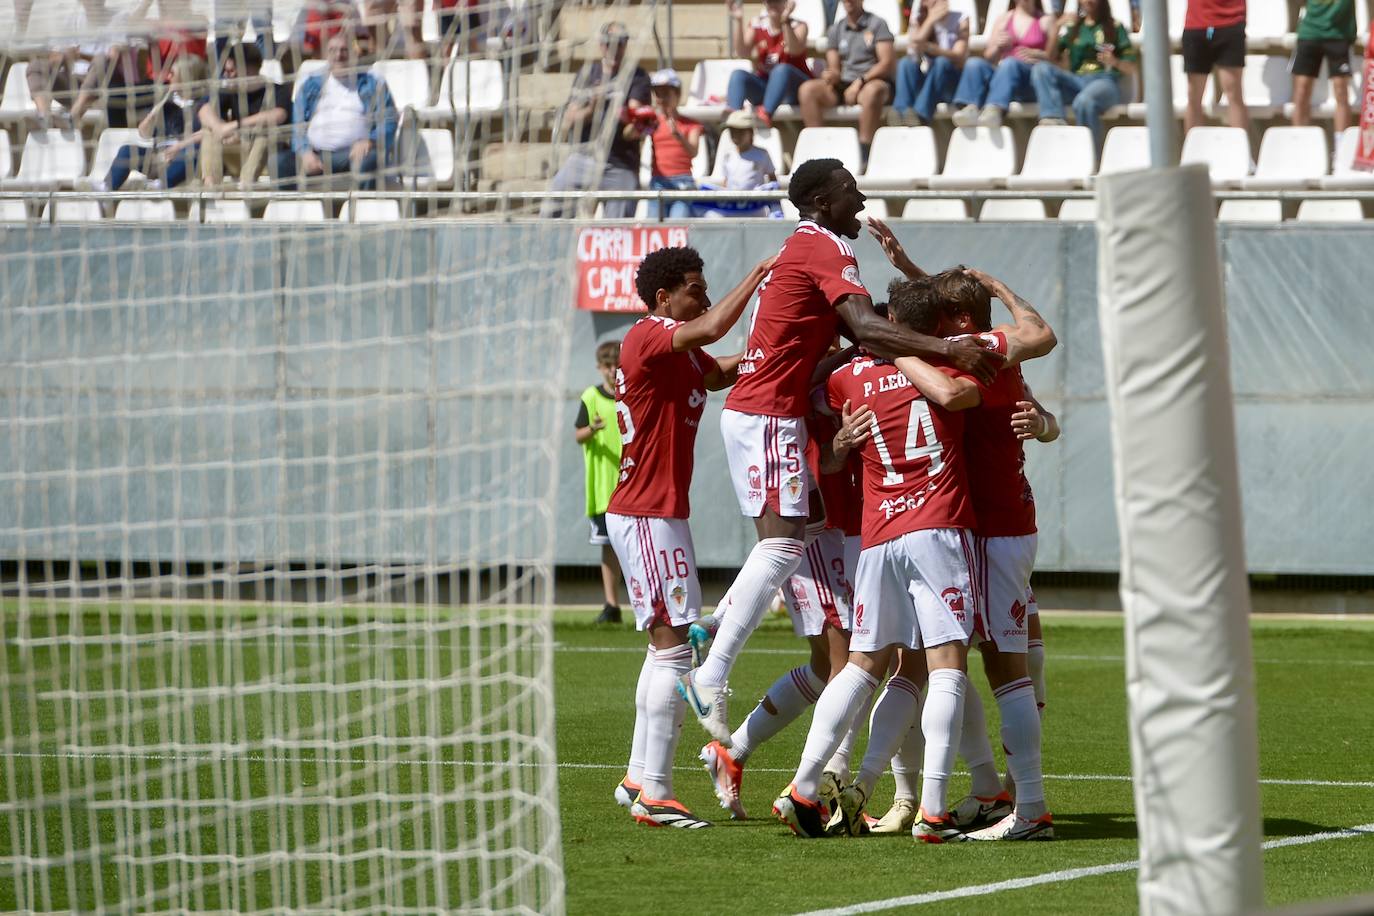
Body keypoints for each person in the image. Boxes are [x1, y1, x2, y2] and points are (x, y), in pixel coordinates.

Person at [674, 158, 1003, 750]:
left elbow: (863, 329)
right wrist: (948, 349)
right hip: (770, 410)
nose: (861, 198)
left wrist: (921, 307)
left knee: (787, 544)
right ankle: (711, 672)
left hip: (763, 411)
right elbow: (867, 329)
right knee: (781, 545)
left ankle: (714, 635)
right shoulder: (825, 246)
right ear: (823, 202)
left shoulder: (803, 247)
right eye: (851, 191)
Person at [832, 265, 1059, 841]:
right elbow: (1033, 331)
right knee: (985, 664)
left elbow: (1016, 344)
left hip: (984, 532)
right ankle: (992, 791)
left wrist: (886, 342)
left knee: (990, 670)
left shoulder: (964, 353)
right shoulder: (994, 351)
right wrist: (995, 286)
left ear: (956, 322)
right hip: (1009, 526)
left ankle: (1024, 807)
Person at [773, 278, 982, 840]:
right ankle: (932, 808)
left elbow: (817, 393)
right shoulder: (947, 370)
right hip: (937, 528)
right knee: (946, 666)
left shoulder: (846, 378)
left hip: (878, 536)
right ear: (935, 328)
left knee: (864, 665)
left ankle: (806, 783)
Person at [606, 248, 773, 828]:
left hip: (657, 512)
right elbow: (714, 325)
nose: (703, 297)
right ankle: (655, 791)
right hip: (647, 512)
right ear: (663, 299)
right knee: (675, 651)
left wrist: (774, 354)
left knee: (666, 651)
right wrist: (758, 272)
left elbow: (718, 369)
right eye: (695, 289)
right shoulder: (651, 334)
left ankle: (638, 777)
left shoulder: (677, 347)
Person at [541, 22, 652, 219]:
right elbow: (570, 118)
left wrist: (625, 115)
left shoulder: (638, 75)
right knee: (551, 205)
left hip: (620, 164)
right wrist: (593, 107)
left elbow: (636, 116)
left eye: (620, 44)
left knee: (619, 227)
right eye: (610, 44)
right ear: (601, 45)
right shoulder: (587, 74)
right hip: (584, 159)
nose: (615, 49)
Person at [274, 29, 397, 190]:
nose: (339, 55)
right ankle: (289, 214)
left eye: (344, 50)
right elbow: (297, 125)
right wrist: (304, 152)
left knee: (370, 161)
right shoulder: (310, 85)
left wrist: (370, 141)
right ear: (326, 54)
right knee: (279, 162)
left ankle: (362, 211)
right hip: (316, 155)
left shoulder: (373, 84)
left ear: (355, 54)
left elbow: (389, 119)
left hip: (353, 155)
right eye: (333, 50)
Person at [799, 0, 896, 165]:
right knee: (807, 90)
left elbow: (887, 63)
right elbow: (835, 67)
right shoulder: (835, 29)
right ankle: (818, 151)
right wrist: (831, 75)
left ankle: (864, 153)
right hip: (844, 84)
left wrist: (860, 81)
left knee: (873, 91)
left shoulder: (877, 24)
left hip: (872, 80)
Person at [1030, 0, 1136, 149]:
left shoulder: (1114, 27)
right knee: (1041, 69)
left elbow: (1131, 67)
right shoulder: (1075, 28)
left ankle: (1090, 155)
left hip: (1105, 82)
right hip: (1077, 81)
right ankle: (1053, 118)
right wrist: (1057, 26)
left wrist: (1114, 62)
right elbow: (1051, 57)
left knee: (1084, 101)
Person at [574, 341, 627, 626]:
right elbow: (578, 435)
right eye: (607, 366)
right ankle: (611, 604)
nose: (612, 371)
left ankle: (645, 605)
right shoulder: (590, 397)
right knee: (608, 547)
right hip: (603, 489)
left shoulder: (630, 395)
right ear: (599, 368)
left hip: (632, 486)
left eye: (617, 365)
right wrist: (592, 429)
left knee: (635, 548)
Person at [198, 42, 291, 188]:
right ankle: (211, 184)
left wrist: (235, 125)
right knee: (209, 130)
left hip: (268, 151)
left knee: (265, 131)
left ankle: (246, 184)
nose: (226, 75)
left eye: (231, 71)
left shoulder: (277, 90)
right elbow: (204, 110)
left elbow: (279, 115)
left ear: (248, 71)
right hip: (237, 146)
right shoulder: (231, 90)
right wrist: (220, 128)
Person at [950, 0, 1056, 129]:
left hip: (1029, 81)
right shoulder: (1003, 19)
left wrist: (1038, 54)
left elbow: (1055, 60)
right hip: (1005, 77)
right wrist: (998, 47)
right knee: (975, 63)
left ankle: (994, 109)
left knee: (1010, 64)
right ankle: (970, 107)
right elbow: (989, 56)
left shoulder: (1046, 20)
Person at [96, 66, 203, 191]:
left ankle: (161, 185)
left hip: (182, 157)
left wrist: (179, 147)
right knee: (128, 150)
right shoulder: (167, 101)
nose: (168, 77)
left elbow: (207, 133)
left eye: (172, 74)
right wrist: (158, 107)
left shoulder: (201, 105)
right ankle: (106, 188)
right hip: (158, 156)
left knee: (192, 151)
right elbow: (143, 133)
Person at [727, 0, 811, 129]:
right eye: (769, 1)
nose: (773, 5)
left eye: (777, 1)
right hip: (766, 87)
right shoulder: (757, 24)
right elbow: (742, 52)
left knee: (780, 70)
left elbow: (794, 50)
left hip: (794, 88)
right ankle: (734, 120)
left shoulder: (799, 25)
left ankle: (765, 115)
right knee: (738, 75)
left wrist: (785, 21)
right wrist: (738, 20)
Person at [893, 0, 969, 124]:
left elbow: (959, 56)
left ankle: (921, 115)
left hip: (951, 83)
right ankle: (902, 113)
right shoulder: (920, 19)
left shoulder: (961, 19)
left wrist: (934, 50)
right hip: (929, 81)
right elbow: (913, 50)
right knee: (906, 63)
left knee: (942, 62)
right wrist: (930, 21)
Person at [1182, 0, 1247, 133]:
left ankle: (1240, 150)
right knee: (1194, 96)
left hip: (1230, 23)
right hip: (1196, 25)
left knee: (1234, 93)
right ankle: (1192, 151)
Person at [646, 70, 704, 220]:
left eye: (666, 93)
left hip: (683, 183)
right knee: (653, 228)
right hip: (658, 183)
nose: (662, 98)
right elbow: (630, 134)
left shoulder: (691, 124)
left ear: (677, 95)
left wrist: (678, 135)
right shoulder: (652, 122)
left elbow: (693, 151)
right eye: (658, 94)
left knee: (677, 225)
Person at [1292, 0, 1357, 132]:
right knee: (1301, 91)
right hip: (1309, 33)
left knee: (1341, 91)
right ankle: (1298, 142)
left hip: (1339, 34)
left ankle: (1341, 145)